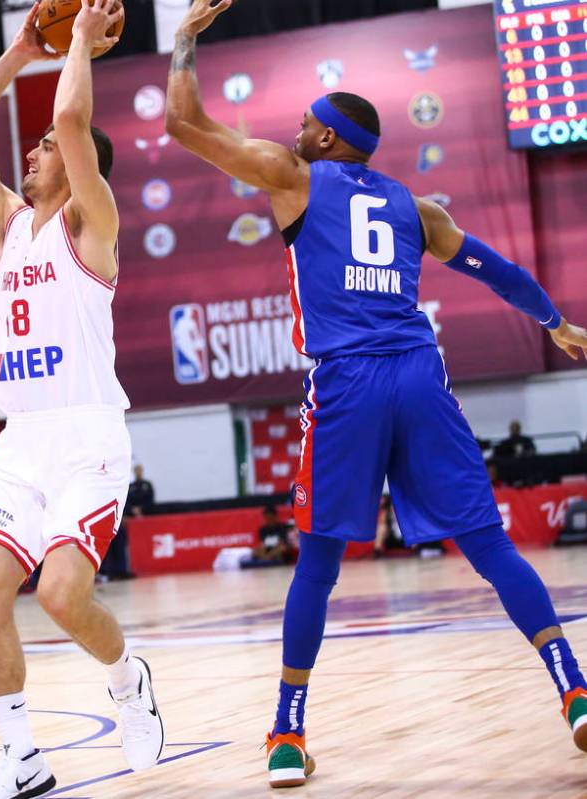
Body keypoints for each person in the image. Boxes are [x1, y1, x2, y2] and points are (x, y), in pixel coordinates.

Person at [165, 0, 587, 786]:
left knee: (319, 561)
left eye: (304, 120)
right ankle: (576, 689)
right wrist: (556, 322)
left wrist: (185, 40)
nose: (294, 127)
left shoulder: (292, 176)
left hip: (349, 381)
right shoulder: (414, 207)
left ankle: (287, 732)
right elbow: (499, 270)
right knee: (490, 545)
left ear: (326, 138)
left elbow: (186, 125)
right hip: (421, 375)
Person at [0, 3, 164, 795]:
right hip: (22, 439)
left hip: (88, 438)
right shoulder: (8, 223)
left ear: (76, 166)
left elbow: (71, 115)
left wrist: (74, 44)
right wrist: (16, 54)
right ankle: (22, 754)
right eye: (33, 146)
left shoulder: (92, 221)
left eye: (42, 147)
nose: (32, 152)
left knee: (62, 596)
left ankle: (126, 674)